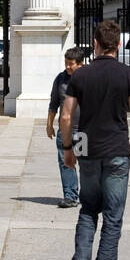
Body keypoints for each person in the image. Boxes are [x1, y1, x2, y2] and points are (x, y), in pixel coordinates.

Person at [61, 19, 130, 260]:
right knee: (113, 216)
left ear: (95, 45)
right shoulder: (128, 75)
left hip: (86, 146)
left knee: (88, 207)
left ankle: (81, 259)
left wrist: (68, 148)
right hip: (116, 149)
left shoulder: (80, 75)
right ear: (120, 44)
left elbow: (66, 115)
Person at [47, 47, 86, 208]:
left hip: (84, 130)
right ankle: (70, 196)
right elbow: (54, 103)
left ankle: (88, 195)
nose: (68, 67)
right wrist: (49, 124)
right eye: (66, 63)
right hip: (66, 131)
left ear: (80, 64)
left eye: (71, 64)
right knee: (66, 163)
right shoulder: (60, 79)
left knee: (85, 164)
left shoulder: (88, 79)